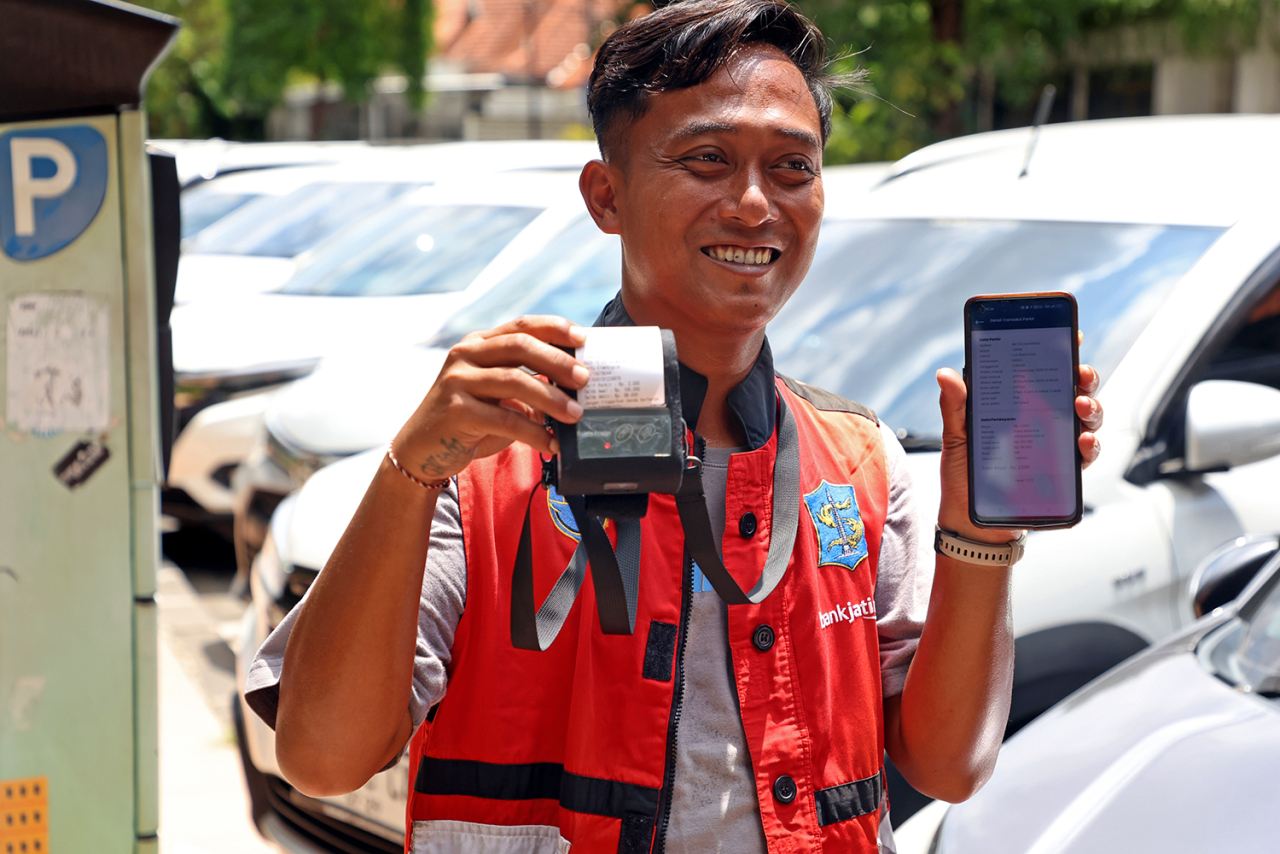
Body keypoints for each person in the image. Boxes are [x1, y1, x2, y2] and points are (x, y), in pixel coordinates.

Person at [244, 1, 1105, 852]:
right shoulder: (492, 454)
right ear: (605, 194)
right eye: (707, 159)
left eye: (793, 168)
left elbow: (949, 764)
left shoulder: (860, 458)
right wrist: (408, 472)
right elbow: (321, 758)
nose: (754, 203)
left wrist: (980, 530)